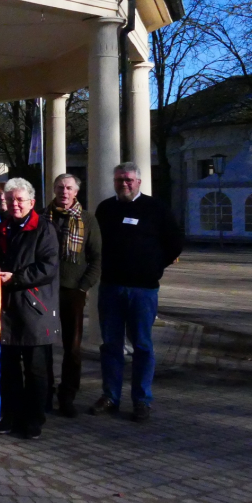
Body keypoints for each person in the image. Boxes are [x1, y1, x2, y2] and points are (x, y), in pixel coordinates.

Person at [91, 162, 183, 423]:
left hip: (143, 290)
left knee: (142, 345)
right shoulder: (106, 209)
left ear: (139, 182)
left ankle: (142, 400)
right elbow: (96, 245)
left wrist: (153, 266)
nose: (124, 184)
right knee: (111, 345)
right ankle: (110, 396)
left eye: (129, 180)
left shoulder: (156, 209)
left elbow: (175, 243)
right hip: (111, 288)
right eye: (119, 180)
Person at [0, 178, 60, 440]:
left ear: (32, 202)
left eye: (20, 200)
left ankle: (34, 419)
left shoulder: (44, 229)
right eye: (10, 200)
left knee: (36, 370)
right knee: (8, 368)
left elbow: (48, 268)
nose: (14, 204)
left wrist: (14, 278)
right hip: (5, 309)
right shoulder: (2, 228)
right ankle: (10, 416)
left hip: (34, 309)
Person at [42, 173, 102, 418]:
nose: (63, 192)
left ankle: (67, 395)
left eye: (68, 188)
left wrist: (83, 287)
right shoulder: (43, 218)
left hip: (72, 292)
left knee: (72, 348)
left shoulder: (87, 220)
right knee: (42, 344)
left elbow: (97, 258)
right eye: (59, 187)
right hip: (44, 291)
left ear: (76, 192)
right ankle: (44, 391)